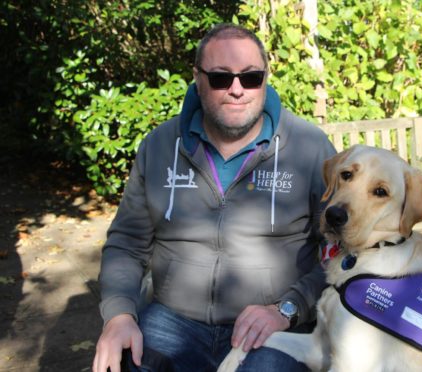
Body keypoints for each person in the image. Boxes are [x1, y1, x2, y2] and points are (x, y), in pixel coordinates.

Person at [92, 23, 336, 372]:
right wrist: (118, 316)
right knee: (123, 359)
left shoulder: (309, 148)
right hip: (174, 319)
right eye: (221, 78)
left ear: (266, 78)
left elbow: (339, 249)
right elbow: (127, 243)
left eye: (251, 77)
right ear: (197, 77)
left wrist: (289, 308)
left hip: (272, 326)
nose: (237, 90)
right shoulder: (160, 146)